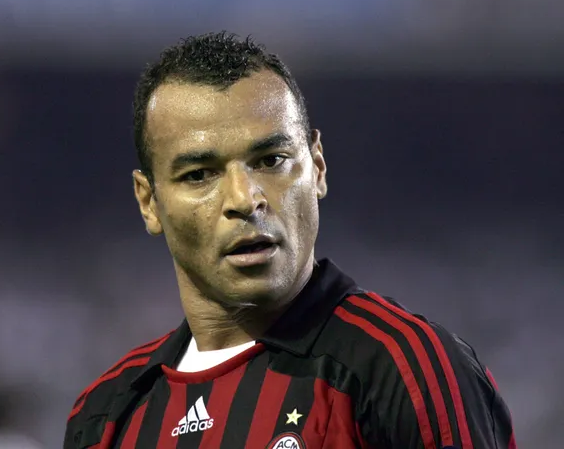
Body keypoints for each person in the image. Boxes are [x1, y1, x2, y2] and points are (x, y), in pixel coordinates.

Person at [63, 32, 516, 449]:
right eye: (199, 174)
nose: (245, 199)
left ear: (317, 167)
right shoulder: (105, 415)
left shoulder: (406, 369)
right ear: (149, 202)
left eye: (271, 160)